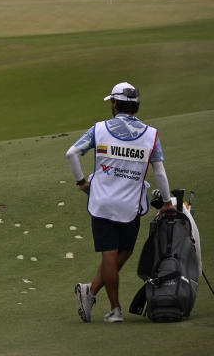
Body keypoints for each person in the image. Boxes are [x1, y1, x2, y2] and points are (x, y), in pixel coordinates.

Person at [66, 82, 176, 324]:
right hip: (131, 205)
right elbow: (159, 171)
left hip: (102, 202)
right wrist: (167, 201)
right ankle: (110, 305)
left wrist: (81, 182)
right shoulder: (151, 135)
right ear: (135, 106)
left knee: (111, 254)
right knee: (122, 251)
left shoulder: (99, 129)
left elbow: (71, 153)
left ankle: (95, 295)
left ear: (115, 104)